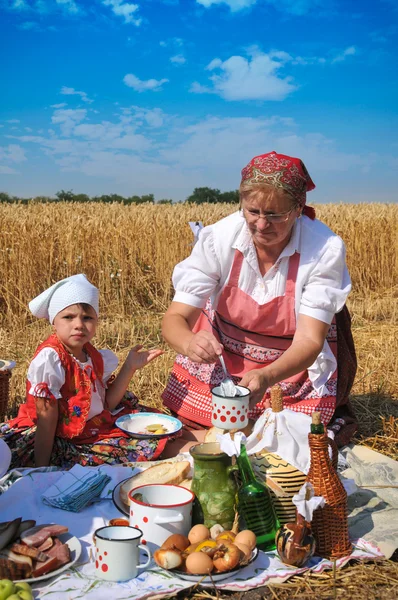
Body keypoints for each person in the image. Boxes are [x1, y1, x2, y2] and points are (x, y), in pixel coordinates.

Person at [161, 151, 357, 448]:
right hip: (225, 355)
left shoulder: (323, 249)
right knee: (214, 430)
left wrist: (266, 376)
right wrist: (189, 343)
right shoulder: (219, 238)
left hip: (289, 366)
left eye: (275, 215)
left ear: (297, 208)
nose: (262, 225)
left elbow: (308, 341)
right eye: (253, 212)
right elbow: (174, 319)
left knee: (285, 437)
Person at [0, 274, 166, 468]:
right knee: (153, 446)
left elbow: (106, 405)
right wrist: (41, 470)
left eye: (87, 317)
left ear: (96, 322)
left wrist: (129, 368)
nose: (78, 324)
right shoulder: (51, 359)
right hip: (60, 439)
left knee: (163, 432)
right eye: (68, 317)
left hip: (94, 427)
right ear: (54, 321)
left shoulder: (91, 356)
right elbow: (46, 419)